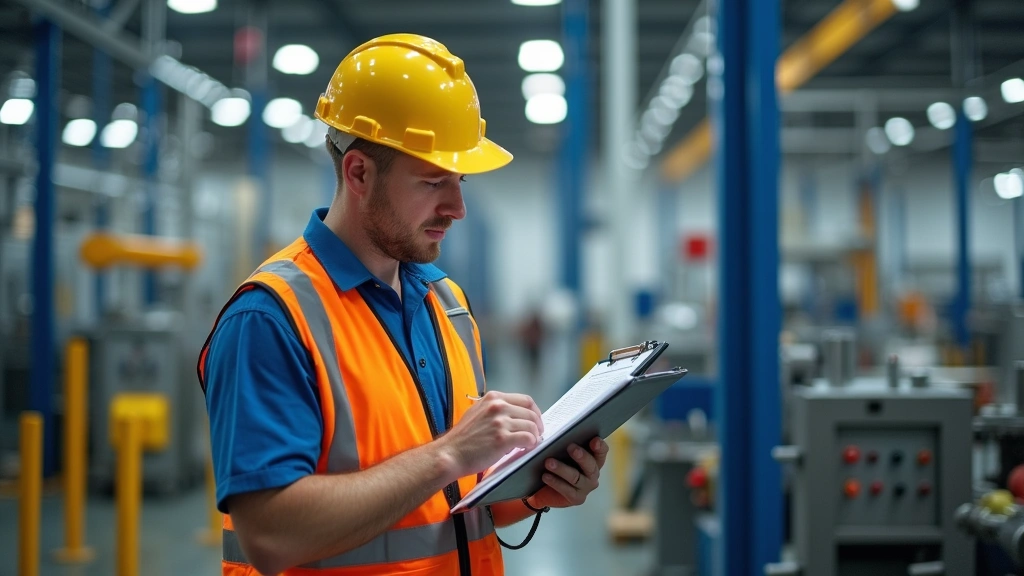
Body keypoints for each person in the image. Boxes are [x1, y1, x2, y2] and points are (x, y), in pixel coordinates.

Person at [197, 34, 610, 576]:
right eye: (434, 182)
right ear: (360, 173)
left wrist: (536, 488)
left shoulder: (446, 303)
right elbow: (272, 536)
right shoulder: (272, 318)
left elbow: (452, 501)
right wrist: (450, 452)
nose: (458, 207)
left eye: (459, 181)